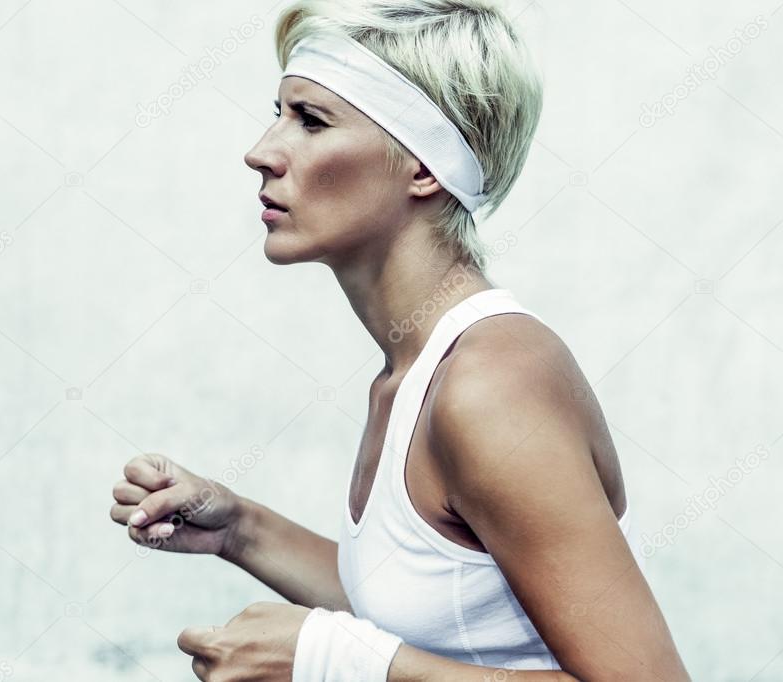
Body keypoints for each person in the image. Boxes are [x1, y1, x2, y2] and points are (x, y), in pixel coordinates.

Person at [110, 1, 691, 680]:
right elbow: (437, 610)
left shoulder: (489, 384)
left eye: (311, 121)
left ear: (421, 168)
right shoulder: (412, 374)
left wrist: (336, 661)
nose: (261, 151)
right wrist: (239, 528)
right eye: (278, 113)